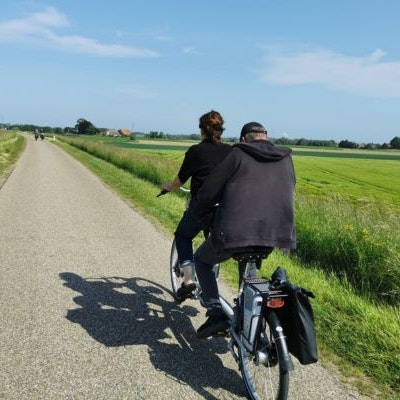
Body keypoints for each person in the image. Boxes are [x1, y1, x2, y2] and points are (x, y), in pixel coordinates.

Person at [191, 121, 296, 339]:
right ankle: (248, 321)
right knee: (250, 275)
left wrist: (198, 210)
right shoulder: (285, 157)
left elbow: (211, 189)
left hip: (235, 232)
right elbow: (289, 186)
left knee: (202, 260)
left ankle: (215, 312)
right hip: (274, 233)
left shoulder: (237, 153)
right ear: (265, 137)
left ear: (242, 139)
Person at [161, 110, 231, 302]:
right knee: (212, 244)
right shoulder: (231, 151)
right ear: (220, 129)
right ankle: (209, 277)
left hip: (201, 208)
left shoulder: (196, 151)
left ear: (202, 129)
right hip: (224, 210)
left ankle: (189, 280)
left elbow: (179, 182)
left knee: (183, 236)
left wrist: (167, 186)